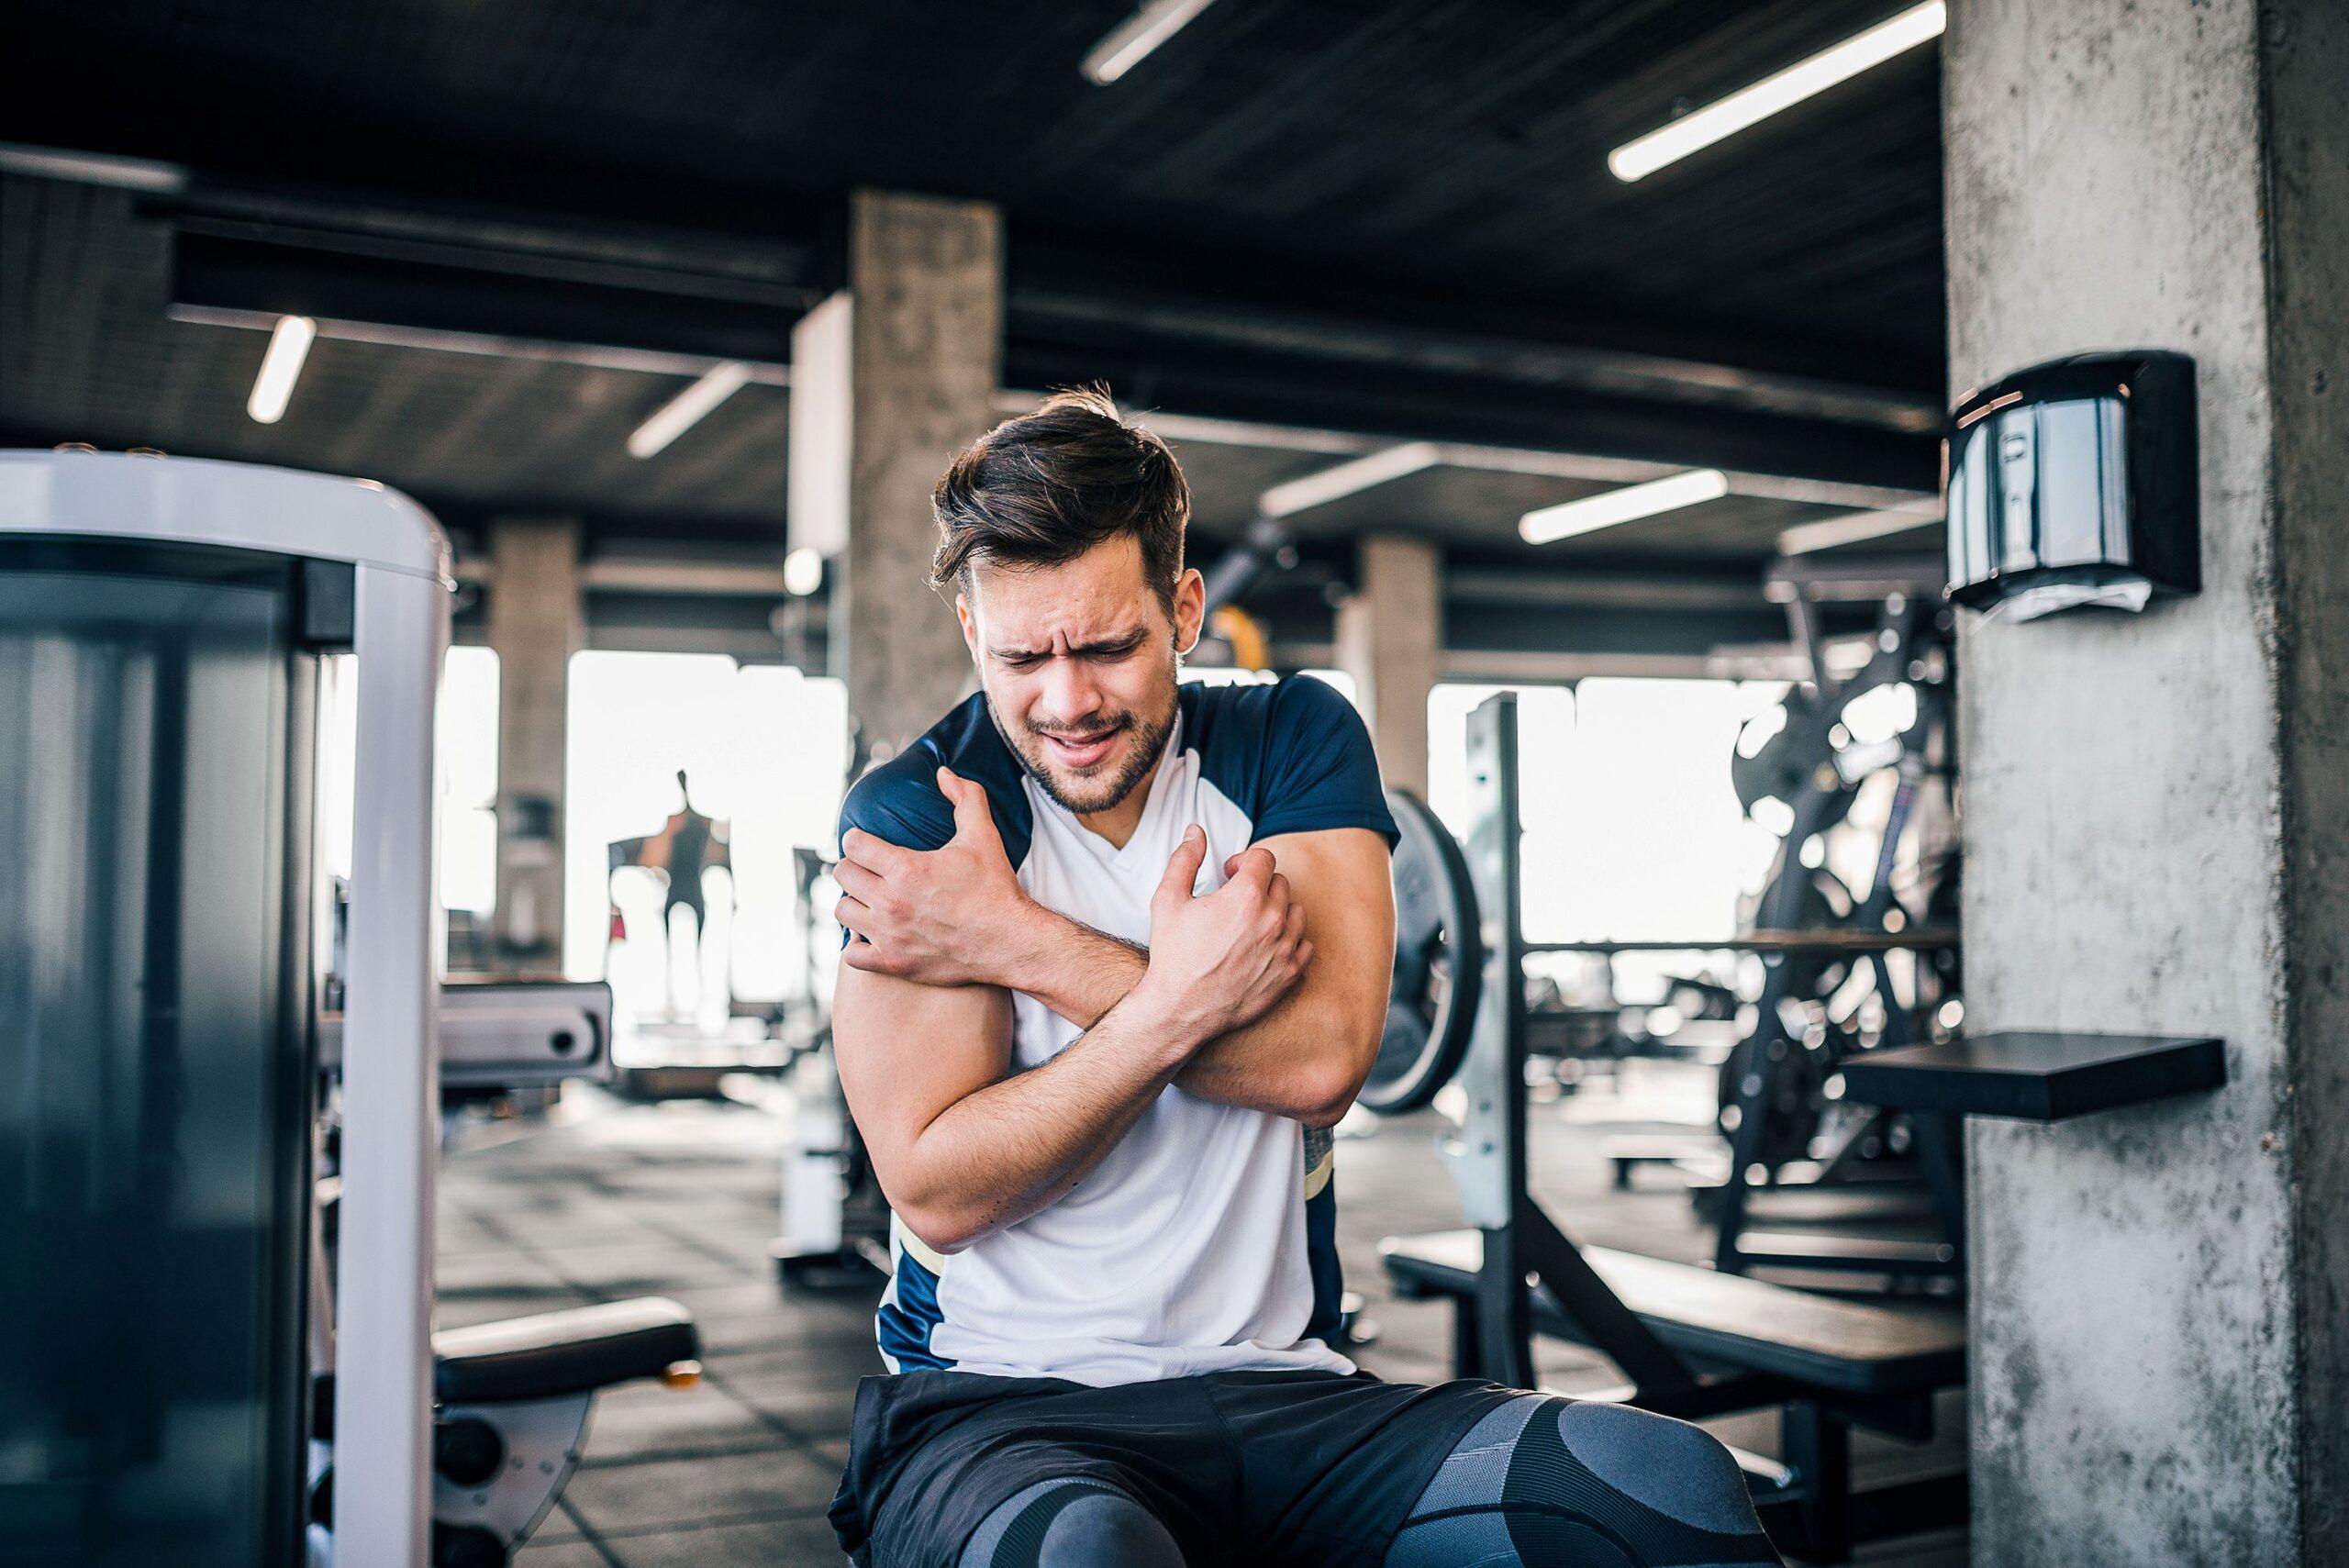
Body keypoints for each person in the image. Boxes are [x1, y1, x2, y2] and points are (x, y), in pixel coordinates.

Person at [824, 388, 1779, 1568]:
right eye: (1025, 655)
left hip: (1293, 1397)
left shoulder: (1291, 738)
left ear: (1183, 609)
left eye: (1109, 645)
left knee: (1661, 1483)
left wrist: (1015, 942)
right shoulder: (926, 817)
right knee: (1087, 1554)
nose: (1067, 701)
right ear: (974, 630)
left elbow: (1325, 1059)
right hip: (1000, 1411)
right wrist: (1186, 997)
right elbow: (941, 1189)